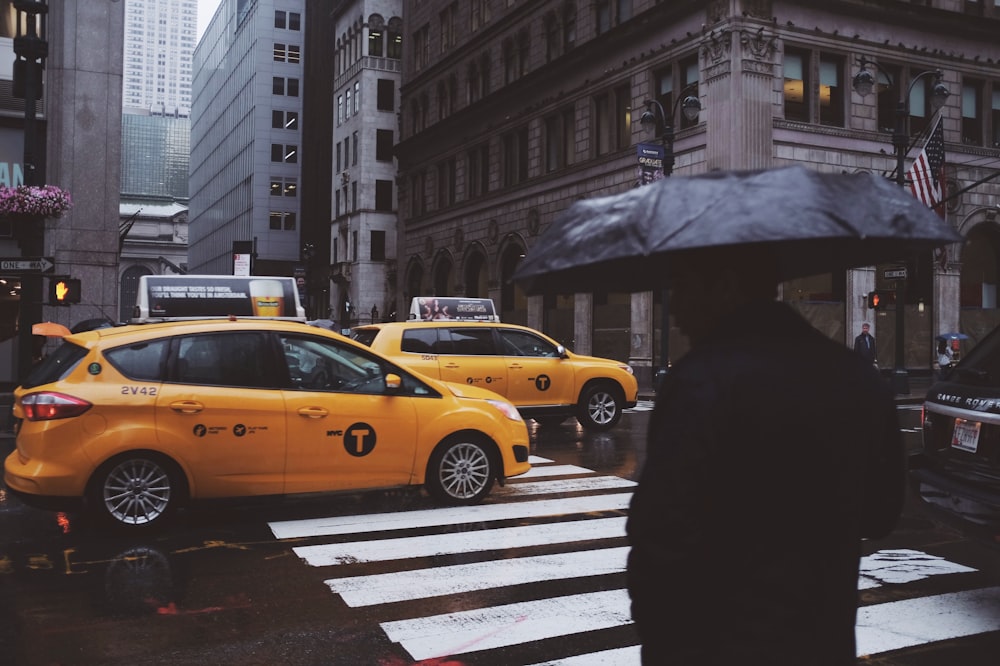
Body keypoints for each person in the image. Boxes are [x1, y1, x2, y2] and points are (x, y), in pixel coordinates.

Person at [626, 249, 905, 665]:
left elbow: (659, 535)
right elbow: (881, 515)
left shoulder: (700, 381)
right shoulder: (858, 376)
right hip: (821, 640)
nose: (675, 308)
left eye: (682, 288)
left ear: (723, 287)